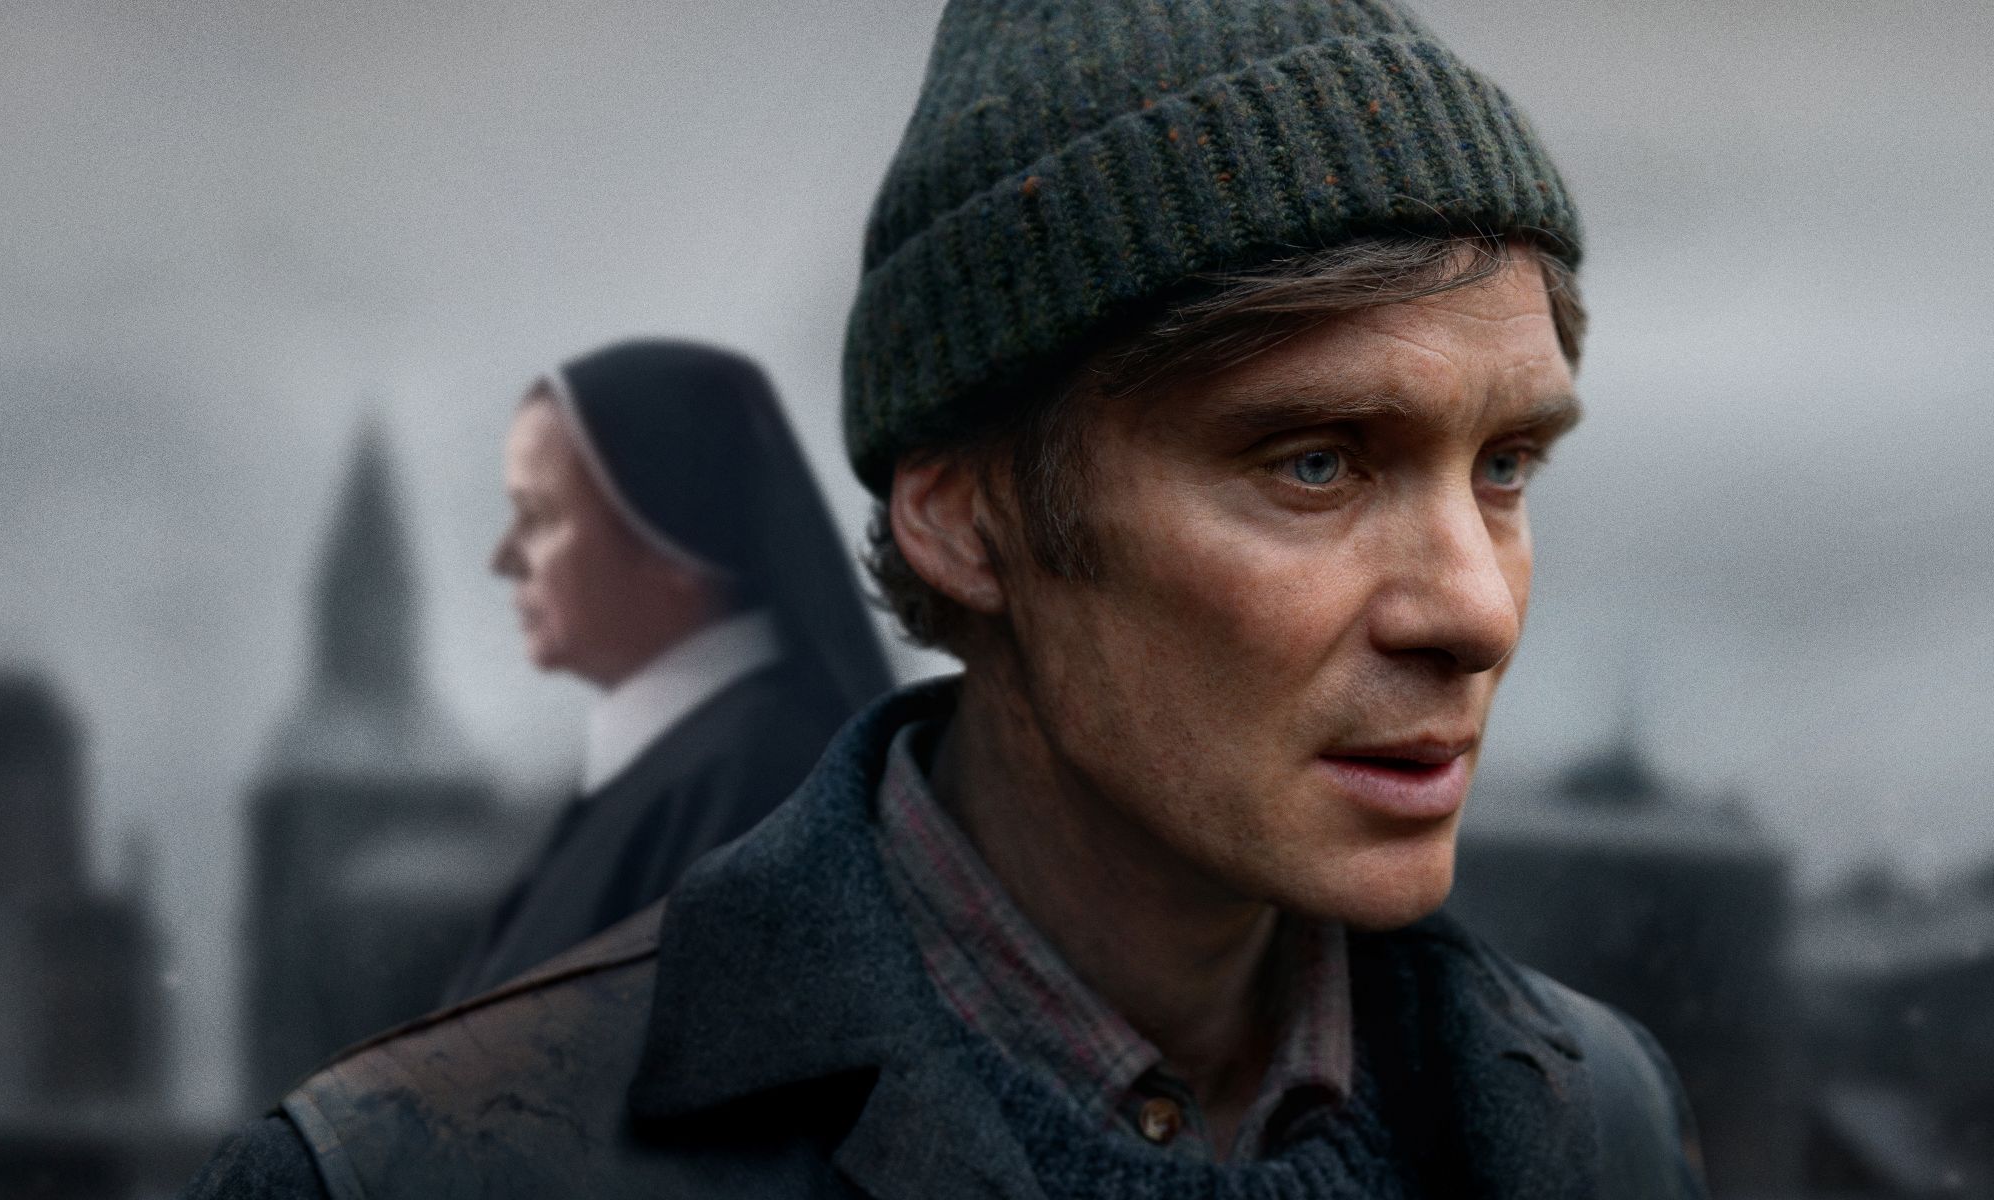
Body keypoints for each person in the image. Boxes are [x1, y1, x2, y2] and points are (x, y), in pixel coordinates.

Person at [182, 2, 1709, 1197]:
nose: (1475, 611)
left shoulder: (1599, 1120)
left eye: (1506, 466)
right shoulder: (416, 1174)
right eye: (1314, 464)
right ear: (964, 516)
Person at [449, 338, 894, 999]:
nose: (504, 558)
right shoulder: (680, 767)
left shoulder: (765, 778)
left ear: (674, 536)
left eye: (537, 516)